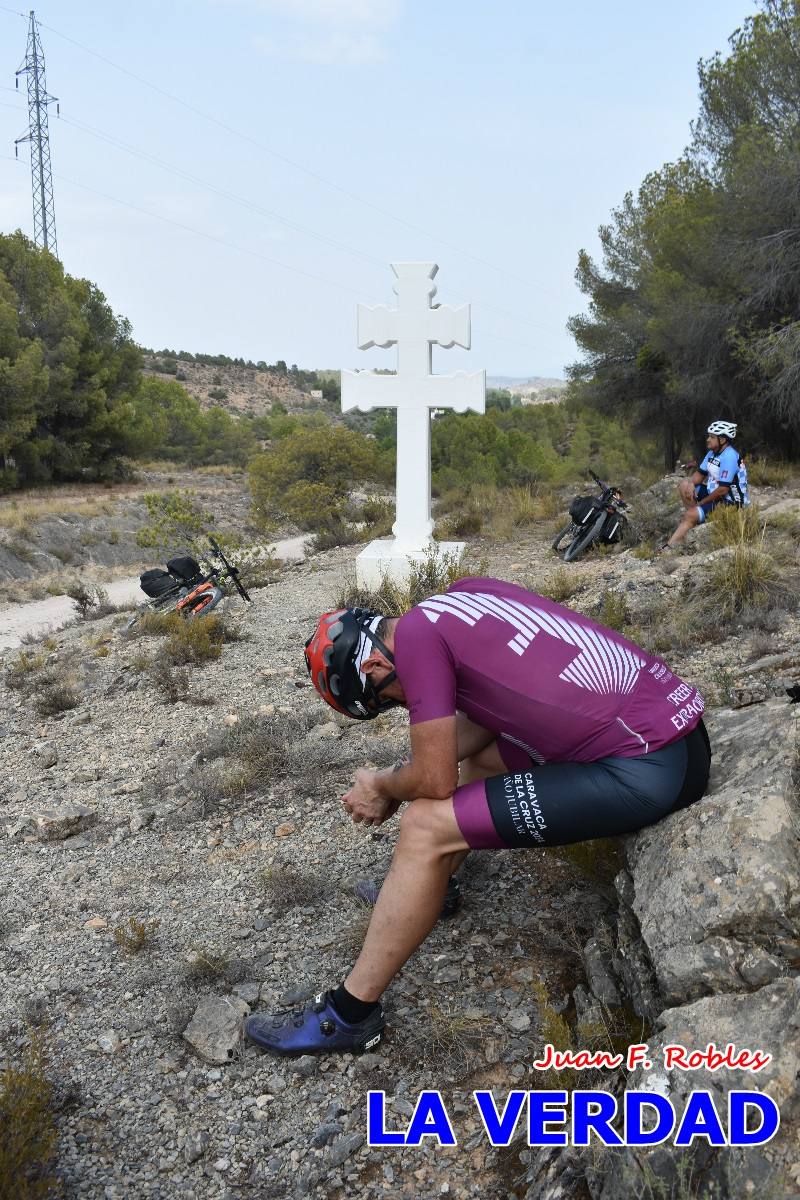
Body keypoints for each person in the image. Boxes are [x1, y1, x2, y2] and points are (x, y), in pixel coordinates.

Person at [245, 578, 710, 1056]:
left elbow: (434, 780)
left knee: (424, 827)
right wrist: (399, 777)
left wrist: (384, 785)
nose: (403, 704)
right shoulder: (462, 596)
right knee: (486, 758)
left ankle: (349, 1015)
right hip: (681, 738)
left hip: (643, 768)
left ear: (375, 663)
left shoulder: (417, 642)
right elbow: (488, 715)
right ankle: (434, 886)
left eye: (390, 698)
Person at [662, 421, 749, 550]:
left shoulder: (729, 456)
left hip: (732, 503)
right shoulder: (712, 453)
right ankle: (695, 520)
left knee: (691, 514)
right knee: (684, 485)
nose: (708, 440)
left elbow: (723, 490)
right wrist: (691, 484)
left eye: (712, 437)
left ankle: (668, 548)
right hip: (716, 495)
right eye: (709, 436)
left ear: (723, 439)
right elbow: (699, 475)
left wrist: (700, 503)